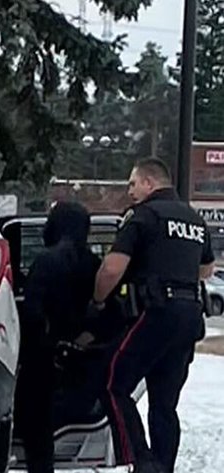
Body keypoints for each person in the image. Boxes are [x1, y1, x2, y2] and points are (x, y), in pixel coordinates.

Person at [92, 158, 215, 473]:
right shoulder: (195, 220)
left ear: (149, 183)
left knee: (112, 383)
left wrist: (97, 302)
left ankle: (141, 459)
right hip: (190, 318)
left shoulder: (143, 216)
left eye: (133, 183)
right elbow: (206, 269)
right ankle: (162, 466)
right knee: (164, 404)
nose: (130, 190)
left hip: (155, 312)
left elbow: (111, 269)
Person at [15, 201, 101, 473]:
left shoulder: (45, 261)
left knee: (35, 425)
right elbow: (109, 312)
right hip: (83, 360)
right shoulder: (95, 265)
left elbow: (31, 311)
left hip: (42, 357)